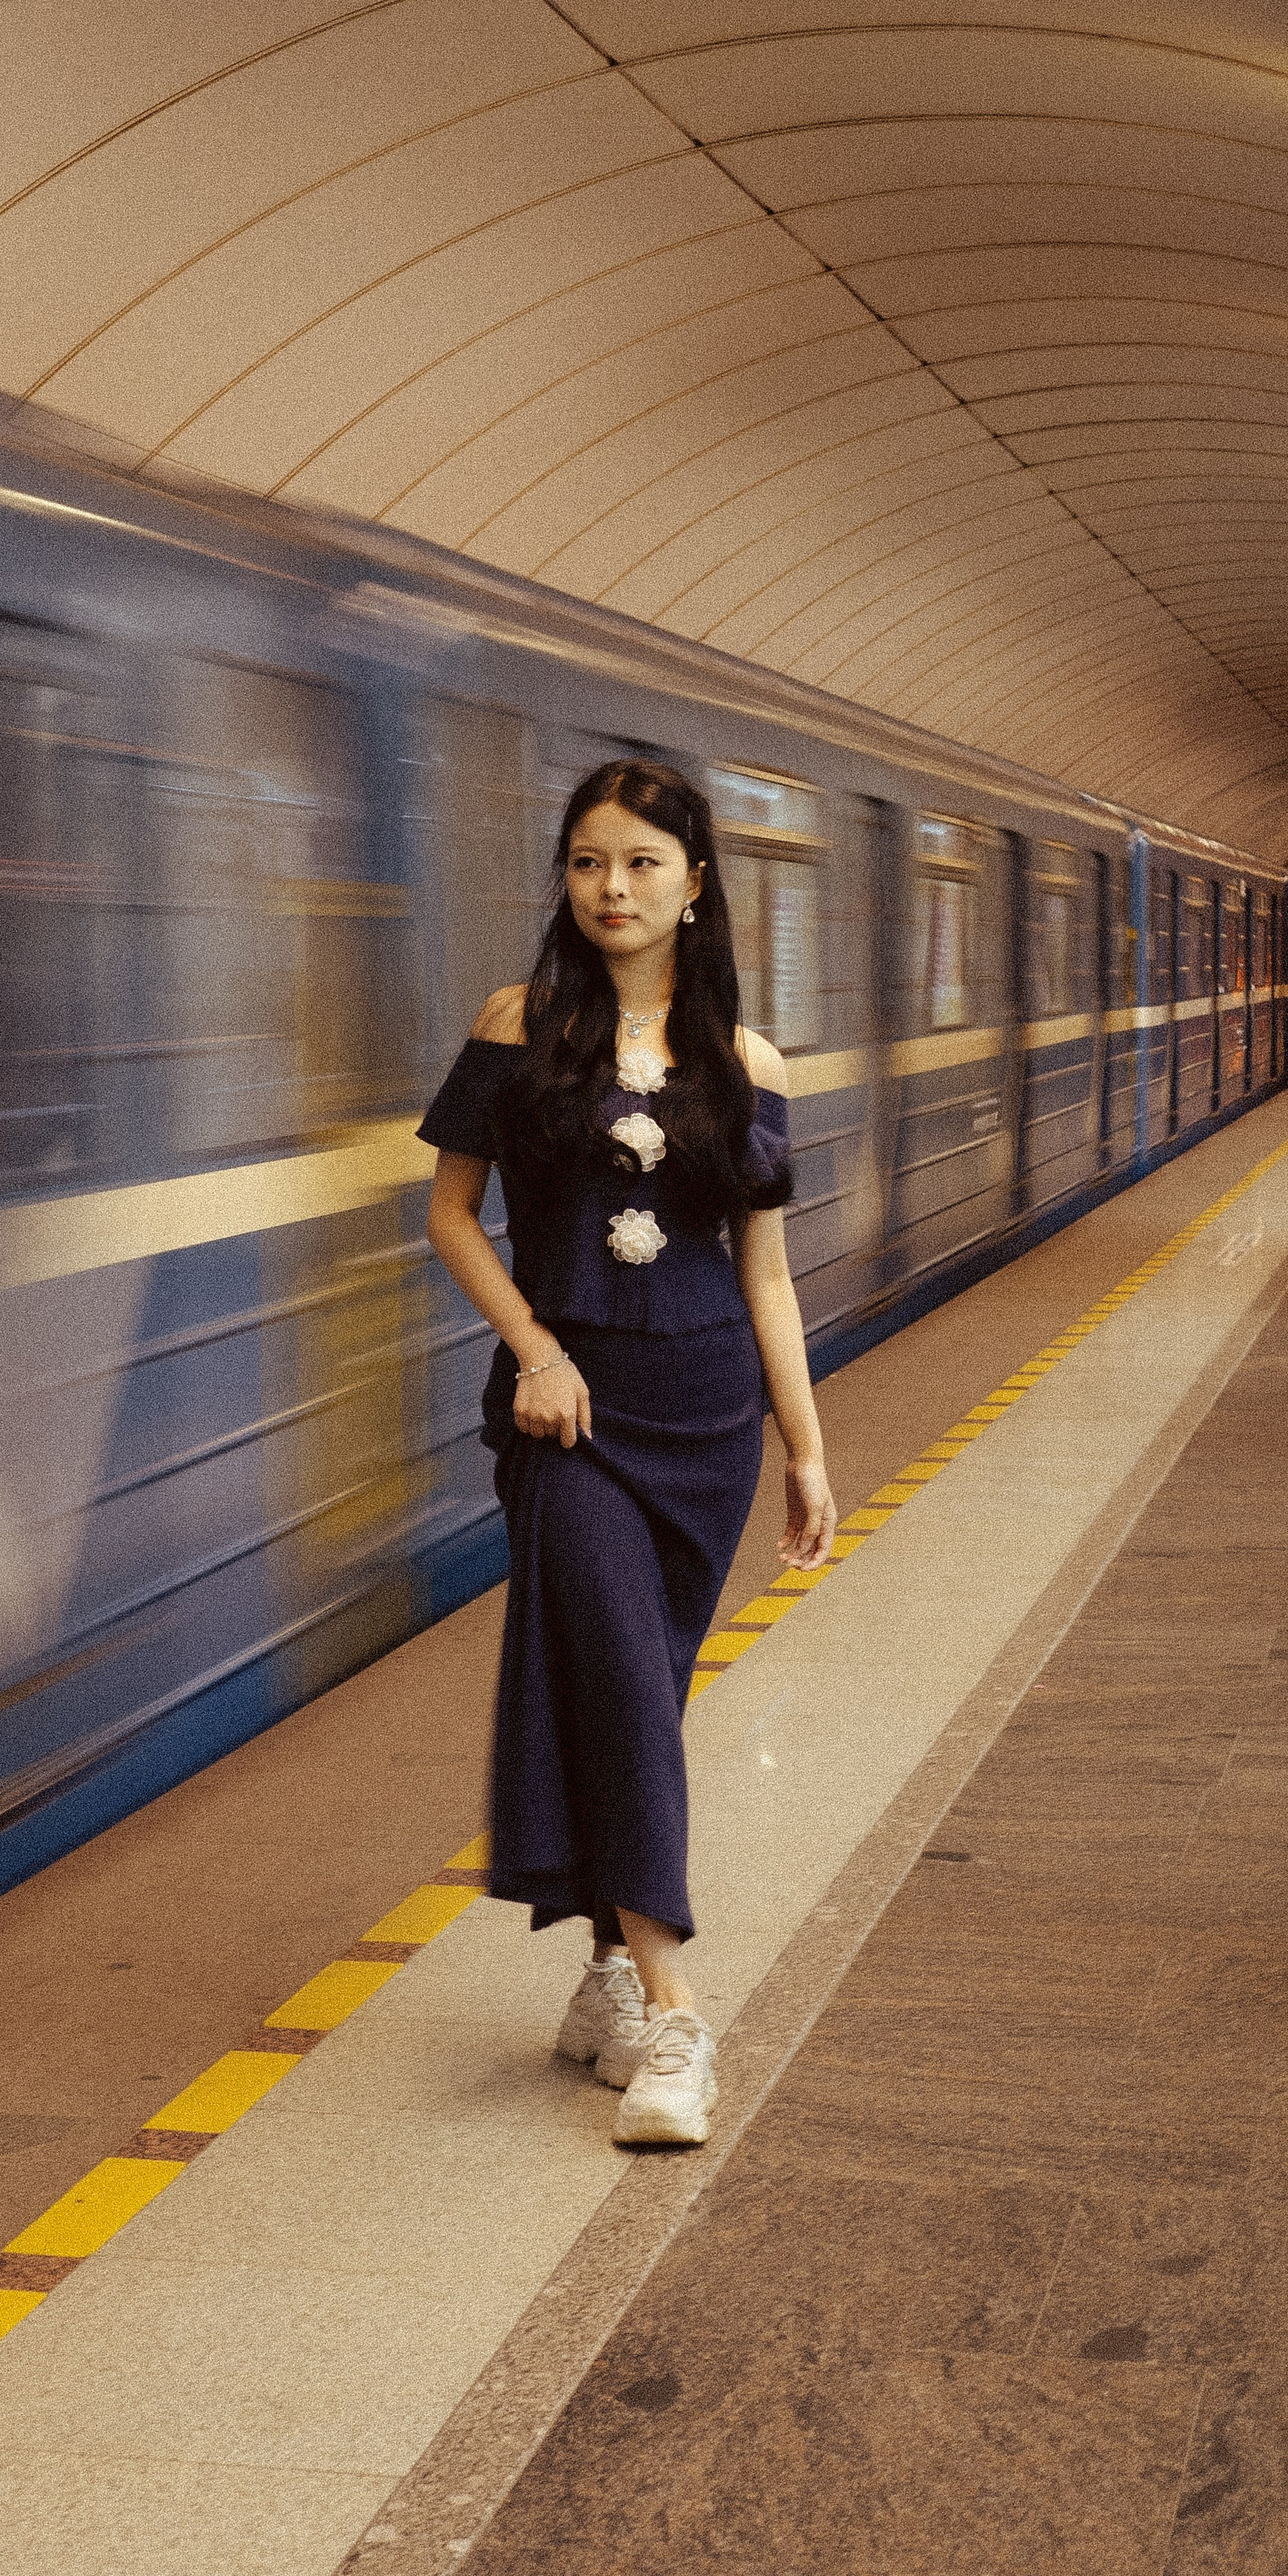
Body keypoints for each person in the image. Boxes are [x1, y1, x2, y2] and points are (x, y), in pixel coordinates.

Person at [420, 760, 836, 2149]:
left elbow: (767, 1275)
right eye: (590, 862)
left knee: (635, 1689)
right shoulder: (515, 1026)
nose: (613, 889)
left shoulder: (750, 1065)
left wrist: (806, 1448)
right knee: (614, 1676)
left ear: (698, 883)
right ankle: (673, 2013)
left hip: (708, 1416)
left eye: (644, 864)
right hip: (570, 1417)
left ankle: (604, 1972)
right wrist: (536, 1350)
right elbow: (452, 1216)